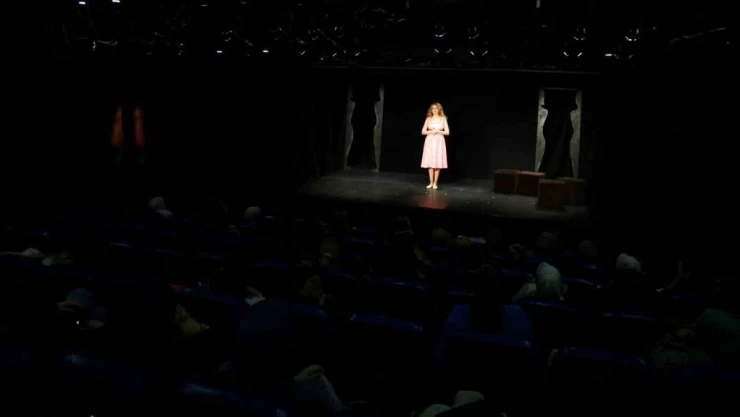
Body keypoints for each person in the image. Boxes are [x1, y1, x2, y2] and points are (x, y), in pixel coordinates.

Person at [421, 102, 449, 189]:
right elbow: (423, 131)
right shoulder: (428, 119)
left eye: (436, 108)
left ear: (439, 109)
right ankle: (430, 182)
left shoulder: (443, 119)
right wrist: (431, 131)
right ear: (431, 110)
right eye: (433, 108)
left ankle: (435, 183)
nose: (435, 110)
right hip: (430, 141)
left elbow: (447, 132)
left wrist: (438, 131)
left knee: (437, 162)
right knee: (430, 162)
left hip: (439, 141)